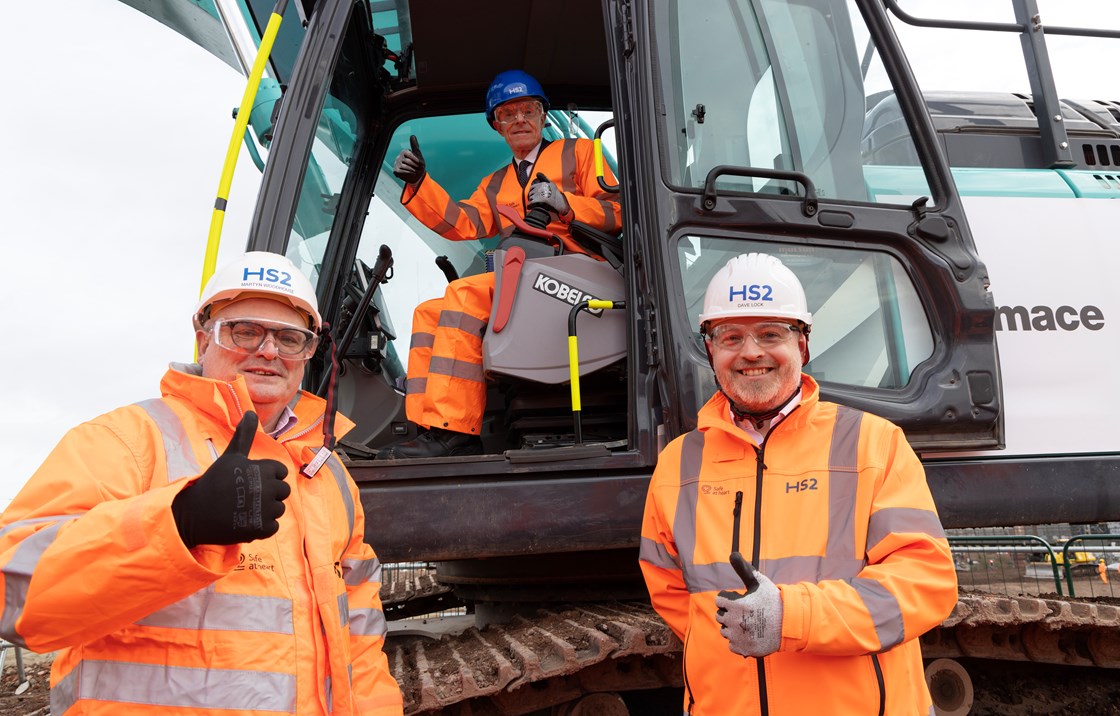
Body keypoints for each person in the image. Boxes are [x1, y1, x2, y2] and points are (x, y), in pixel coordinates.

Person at [0, 252, 403, 715]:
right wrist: (177, 523)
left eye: (290, 338)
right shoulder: (130, 440)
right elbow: (14, 596)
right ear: (202, 341)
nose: (269, 351)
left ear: (309, 353)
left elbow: (362, 642)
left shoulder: (329, 475)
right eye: (245, 331)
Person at [639, 252, 957, 714]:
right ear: (710, 350)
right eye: (730, 336)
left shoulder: (874, 443)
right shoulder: (678, 465)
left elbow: (924, 582)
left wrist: (792, 617)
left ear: (803, 346)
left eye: (771, 334)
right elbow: (673, 597)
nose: (751, 352)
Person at [378, 69, 622, 459]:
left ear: (543, 116)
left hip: (578, 268)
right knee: (429, 313)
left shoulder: (581, 153)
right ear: (497, 126)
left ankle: (455, 431)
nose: (519, 120)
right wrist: (421, 183)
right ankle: (428, 426)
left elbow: (618, 212)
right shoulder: (495, 183)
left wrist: (566, 204)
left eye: (527, 110)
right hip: (527, 275)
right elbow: (462, 223)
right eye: (508, 114)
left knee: (462, 295)